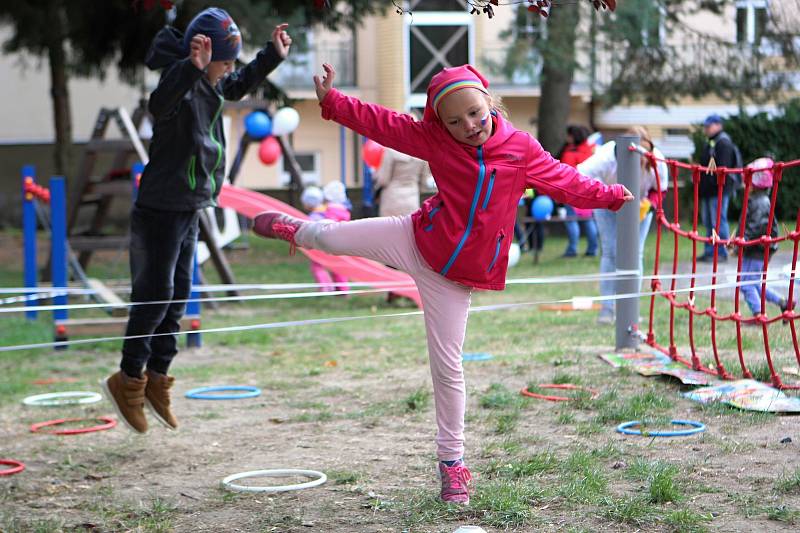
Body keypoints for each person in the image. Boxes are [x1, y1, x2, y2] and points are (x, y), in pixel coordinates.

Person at [253, 63, 633, 504]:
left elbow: (564, 182)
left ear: (489, 103)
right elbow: (387, 126)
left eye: (474, 113)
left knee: (447, 368)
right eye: (454, 121)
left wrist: (608, 196)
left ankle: (452, 464)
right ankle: (294, 230)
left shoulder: (520, 150)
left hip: (452, 280)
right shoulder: (434, 139)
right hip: (414, 237)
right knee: (332, 236)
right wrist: (333, 102)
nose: (468, 126)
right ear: (440, 123)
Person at [102, 8, 292, 434]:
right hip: (160, 208)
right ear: (202, 55)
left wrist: (271, 56)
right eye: (224, 63)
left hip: (189, 204)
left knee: (180, 295)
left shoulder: (211, 84)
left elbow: (238, 85)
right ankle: (128, 377)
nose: (227, 71)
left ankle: (157, 379)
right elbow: (158, 102)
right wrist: (191, 68)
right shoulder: (181, 83)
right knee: (155, 294)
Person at [578, 126, 668, 325]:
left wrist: (649, 204)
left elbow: (661, 190)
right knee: (611, 252)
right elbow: (580, 174)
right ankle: (607, 309)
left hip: (639, 205)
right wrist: (601, 195)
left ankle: (630, 310)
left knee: (636, 253)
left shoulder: (657, 161)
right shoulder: (605, 157)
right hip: (606, 203)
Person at [731, 158, 793, 319]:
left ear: (756, 184)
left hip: (756, 249)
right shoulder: (757, 200)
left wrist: (741, 244)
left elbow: (755, 227)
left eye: (747, 182)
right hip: (756, 249)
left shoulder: (760, 202)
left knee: (745, 285)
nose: (745, 185)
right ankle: (783, 302)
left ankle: (758, 314)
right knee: (754, 283)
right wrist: (737, 238)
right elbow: (746, 224)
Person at [698, 114, 742, 263]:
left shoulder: (723, 143)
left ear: (718, 125)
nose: (706, 129)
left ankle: (721, 251)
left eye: (709, 126)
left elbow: (723, 168)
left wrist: (712, 184)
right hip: (709, 190)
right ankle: (710, 251)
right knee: (710, 222)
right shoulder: (712, 142)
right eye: (705, 126)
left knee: (718, 220)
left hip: (718, 190)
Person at [558, 125, 598, 257]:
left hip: (571, 192)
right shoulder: (591, 151)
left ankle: (572, 249)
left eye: (569, 135)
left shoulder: (569, 153)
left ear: (573, 136)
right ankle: (592, 249)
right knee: (588, 220)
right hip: (588, 190)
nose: (567, 138)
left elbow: (564, 173)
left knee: (571, 220)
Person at [374, 147, 432, 217]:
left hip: (391, 198)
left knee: (389, 226)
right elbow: (424, 183)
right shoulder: (422, 152)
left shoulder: (390, 150)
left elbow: (383, 180)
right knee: (409, 226)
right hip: (412, 199)